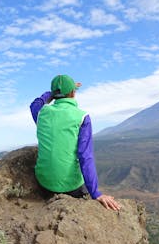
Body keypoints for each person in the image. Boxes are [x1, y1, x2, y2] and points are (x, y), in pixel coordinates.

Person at [30, 74, 121, 211]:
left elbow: (35, 103)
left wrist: (54, 93)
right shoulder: (82, 117)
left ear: (54, 95)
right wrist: (96, 193)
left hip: (44, 183)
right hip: (70, 187)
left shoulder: (42, 113)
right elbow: (86, 156)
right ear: (73, 92)